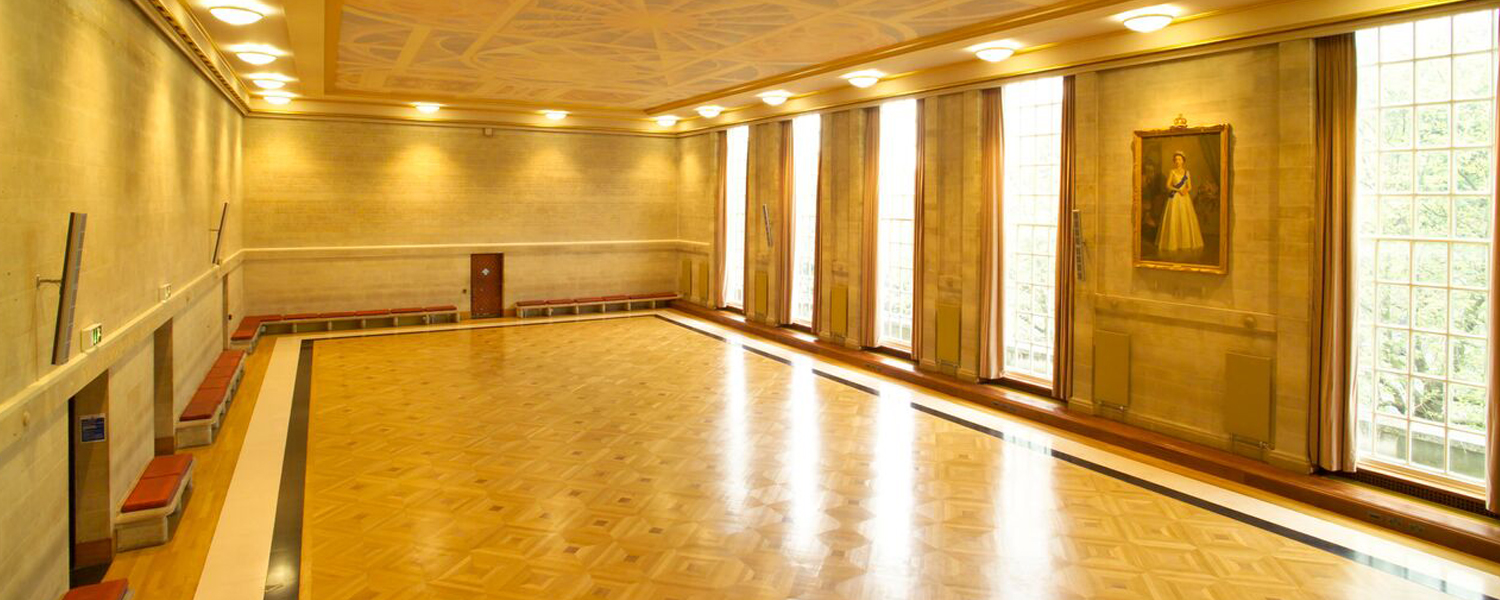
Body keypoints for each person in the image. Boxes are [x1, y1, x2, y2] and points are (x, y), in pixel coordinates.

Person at [1155, 151, 1204, 259]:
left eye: (1180, 159)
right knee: (1174, 218)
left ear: (1183, 161)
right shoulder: (1172, 172)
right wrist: (1178, 189)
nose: (1178, 161)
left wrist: (1185, 190)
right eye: (1176, 159)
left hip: (1184, 198)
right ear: (1174, 161)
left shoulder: (1187, 173)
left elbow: (1190, 186)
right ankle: (1173, 243)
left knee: (1185, 219)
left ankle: (1184, 242)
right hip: (1174, 197)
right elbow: (1167, 185)